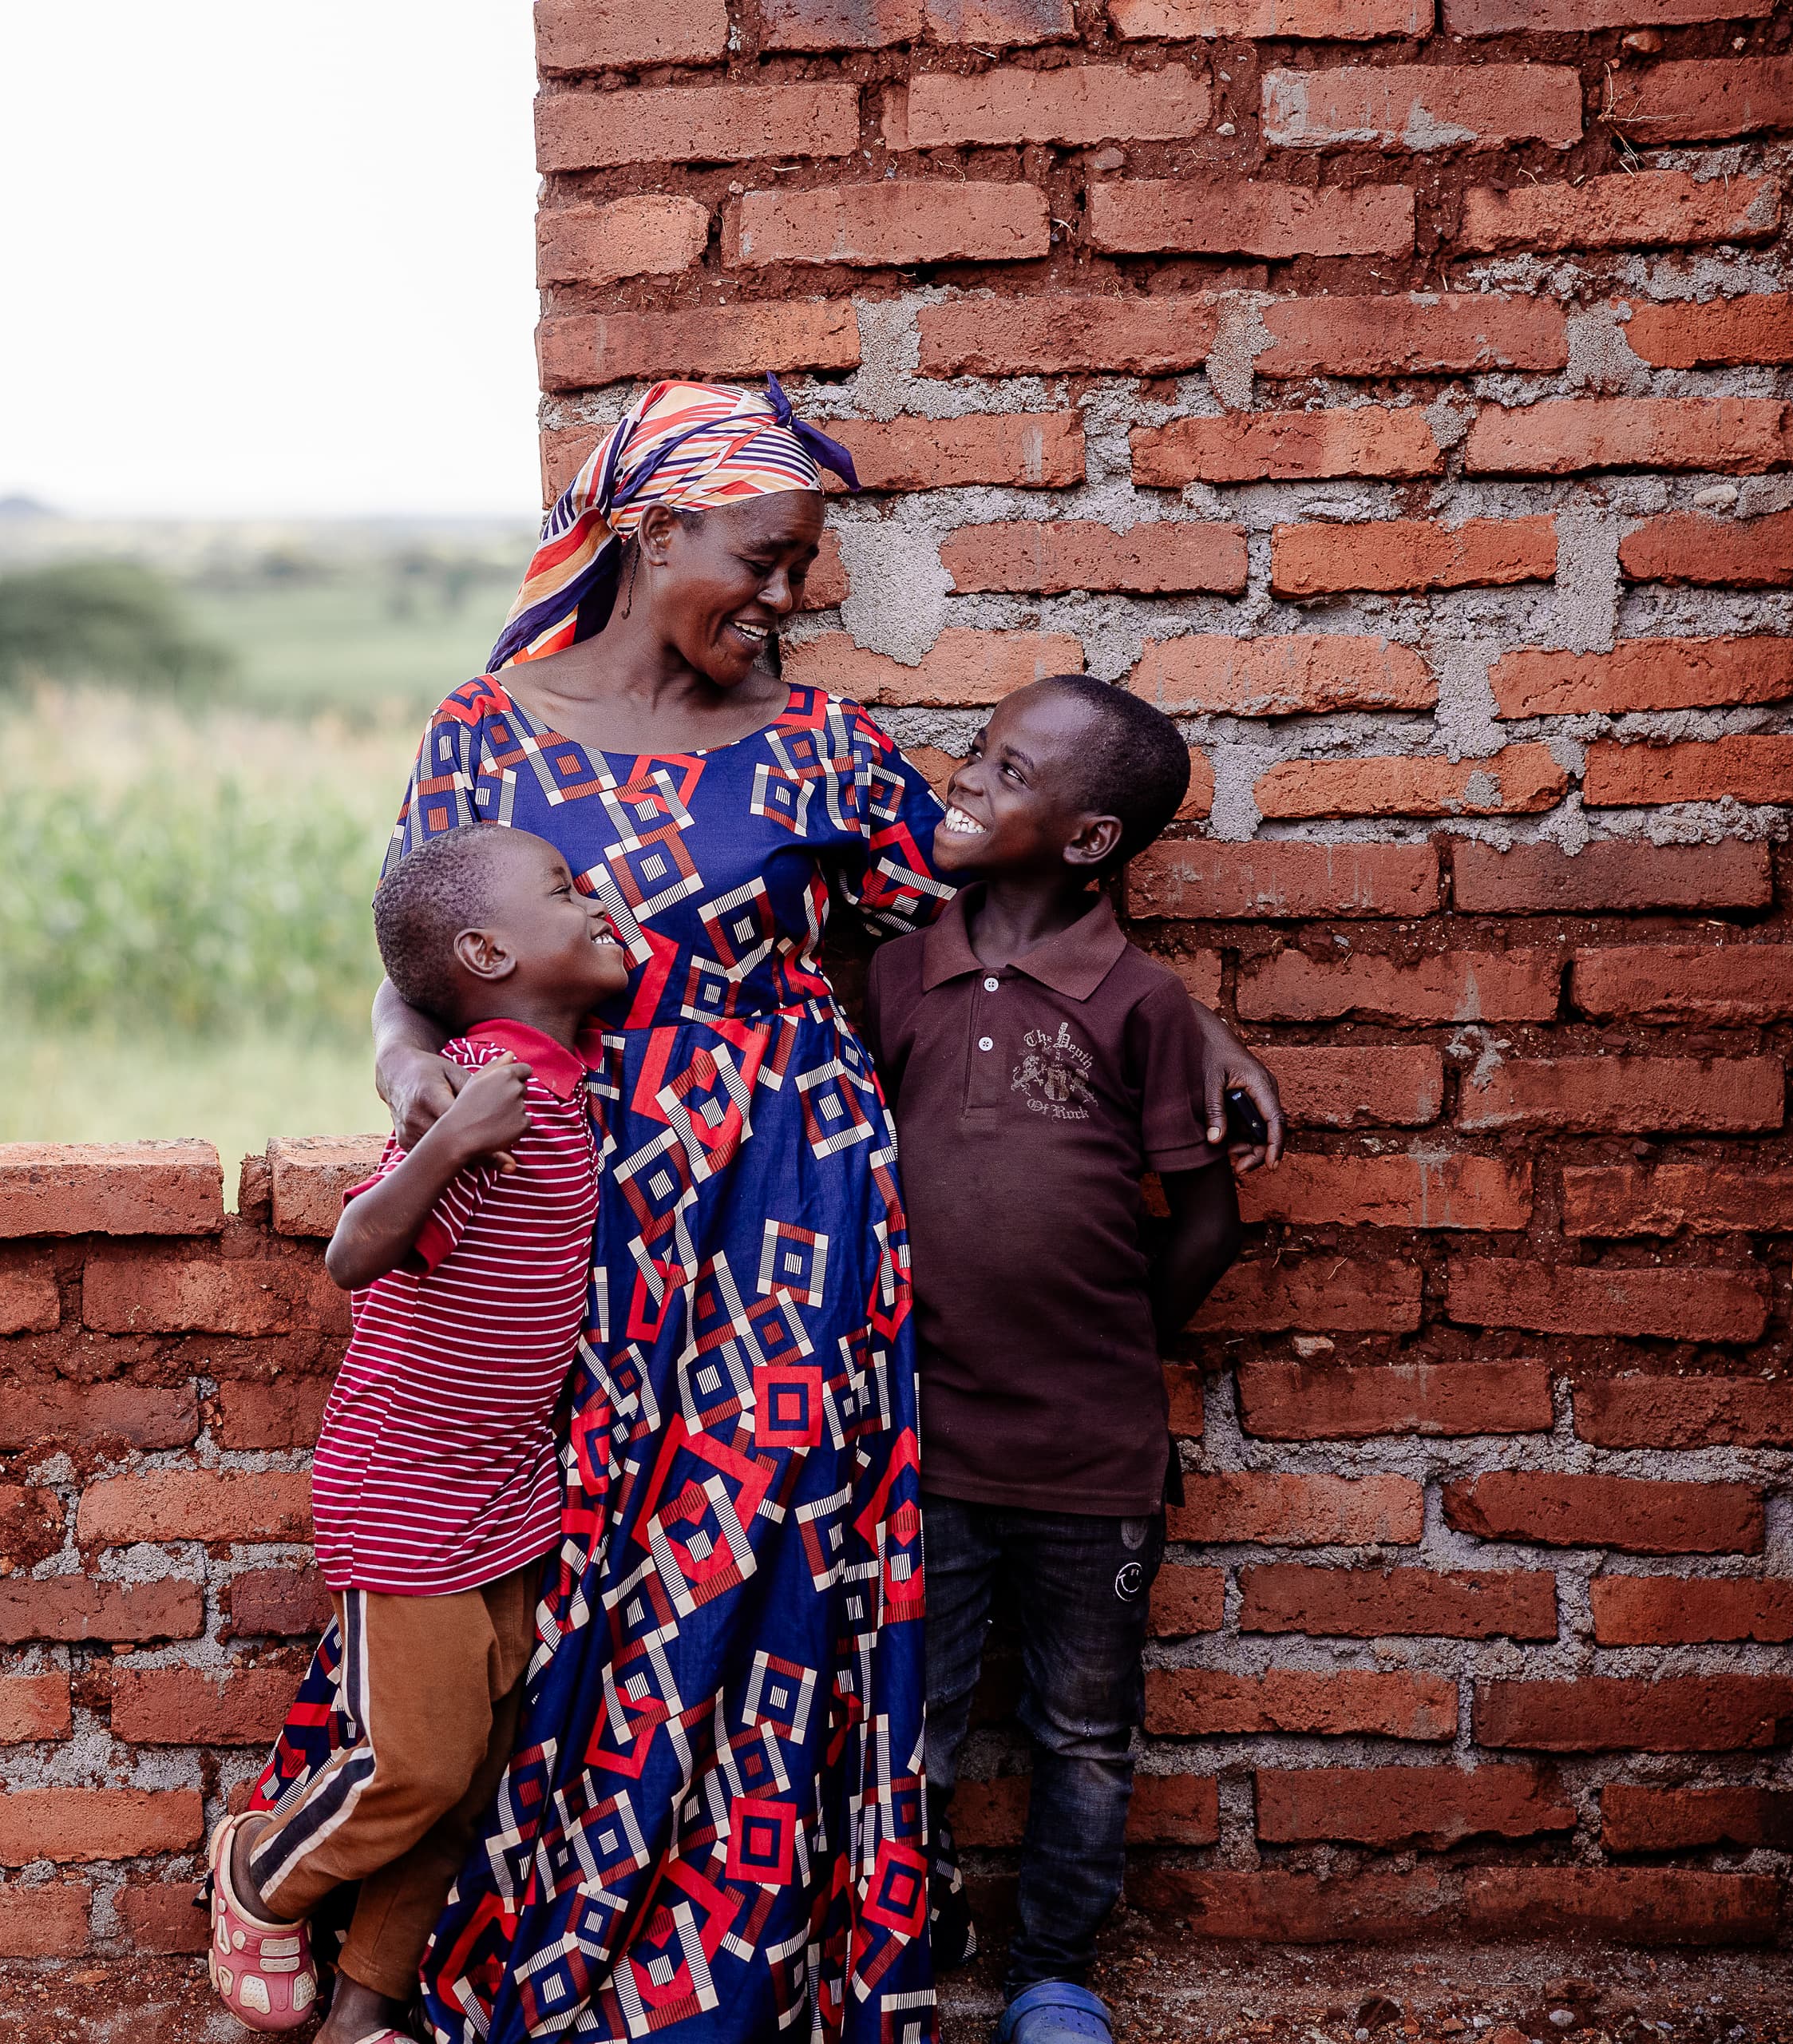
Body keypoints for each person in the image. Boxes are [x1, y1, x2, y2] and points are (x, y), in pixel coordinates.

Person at [247, 378, 1284, 2044]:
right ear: (657, 532)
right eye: (769, 557)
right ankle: (441, 1934)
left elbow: (1012, 896)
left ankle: (717, 1958)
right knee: (557, 1573)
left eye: (806, 568)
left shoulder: (820, 746)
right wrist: (400, 1073)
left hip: (796, 1223)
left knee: (765, 1580)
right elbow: (413, 964)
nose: (789, 600)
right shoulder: (487, 730)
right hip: (570, 1215)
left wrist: (1189, 1017)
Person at [857, 677, 1247, 2044]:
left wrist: (1114, 1348)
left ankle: (1056, 1975)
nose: (963, 779)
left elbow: (1206, 1218)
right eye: (973, 750)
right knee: (920, 1721)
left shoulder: (1141, 1004)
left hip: (1094, 1453)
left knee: (1085, 1732)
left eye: (1006, 769)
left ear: (1089, 839)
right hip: (930, 1440)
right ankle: (899, 1942)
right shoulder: (898, 969)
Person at [205, 822, 629, 2044]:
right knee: (415, 1767)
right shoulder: (486, 1088)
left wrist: (595, 937)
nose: (595, 899)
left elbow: (634, 949)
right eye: (565, 890)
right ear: (490, 952)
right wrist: (441, 1136)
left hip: (510, 1486)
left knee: (472, 1780)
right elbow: (354, 1252)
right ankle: (258, 1873)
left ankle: (361, 2017)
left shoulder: (565, 1059)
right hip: (410, 1487)